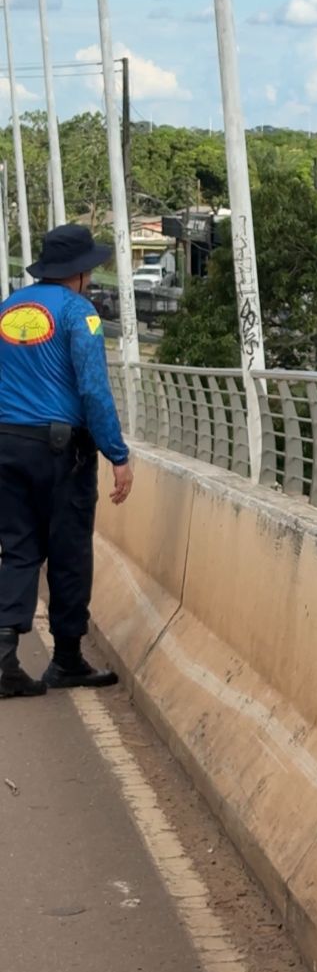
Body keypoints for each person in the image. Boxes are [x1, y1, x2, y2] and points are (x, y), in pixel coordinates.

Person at [0, 223, 134, 699]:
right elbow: (93, 389)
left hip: (6, 444)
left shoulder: (6, 309)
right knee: (68, 550)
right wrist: (117, 454)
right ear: (78, 271)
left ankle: (4, 659)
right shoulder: (82, 314)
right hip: (60, 452)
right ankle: (67, 660)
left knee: (17, 547)